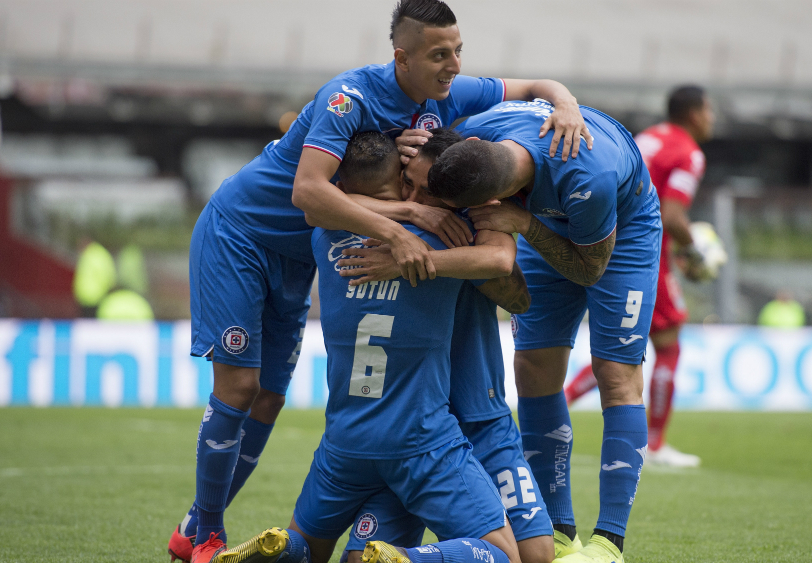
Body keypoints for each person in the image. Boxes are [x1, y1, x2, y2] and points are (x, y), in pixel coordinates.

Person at [171, 0, 592, 560]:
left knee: (270, 396)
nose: (453, 65)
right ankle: (203, 530)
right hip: (243, 232)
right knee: (240, 387)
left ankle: (277, 546)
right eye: (439, 54)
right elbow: (309, 195)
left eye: (458, 51)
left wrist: (565, 106)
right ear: (401, 57)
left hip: (309, 254)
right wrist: (407, 225)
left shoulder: (448, 96)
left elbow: (537, 83)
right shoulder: (350, 97)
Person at [415, 98, 660, 563]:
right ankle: (560, 529)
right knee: (533, 368)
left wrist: (523, 222)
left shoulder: (589, 177)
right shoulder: (479, 128)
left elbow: (589, 269)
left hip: (619, 233)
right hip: (545, 220)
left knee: (616, 375)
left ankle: (610, 543)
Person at [216, 200, 524, 563]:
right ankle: (413, 559)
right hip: (421, 441)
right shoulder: (442, 241)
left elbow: (319, 197)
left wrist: (399, 209)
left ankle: (283, 547)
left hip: (344, 445)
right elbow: (506, 273)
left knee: (313, 551)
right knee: (504, 554)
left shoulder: (327, 239)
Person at [336, 129, 554, 563]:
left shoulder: (478, 223)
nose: (415, 199)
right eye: (407, 184)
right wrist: (410, 220)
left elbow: (518, 297)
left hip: (480, 415)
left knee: (537, 555)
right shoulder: (387, 226)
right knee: (359, 559)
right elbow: (316, 201)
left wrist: (428, 262)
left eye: (427, 191)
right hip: (415, 428)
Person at [564, 85, 714, 468]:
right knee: (668, 342)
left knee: (621, 344)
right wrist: (695, 251)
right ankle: (657, 444)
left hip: (607, 236)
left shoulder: (650, 137)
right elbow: (672, 215)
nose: (712, 119)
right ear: (695, 114)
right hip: (645, 249)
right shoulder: (689, 153)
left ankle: (557, 406)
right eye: (709, 111)